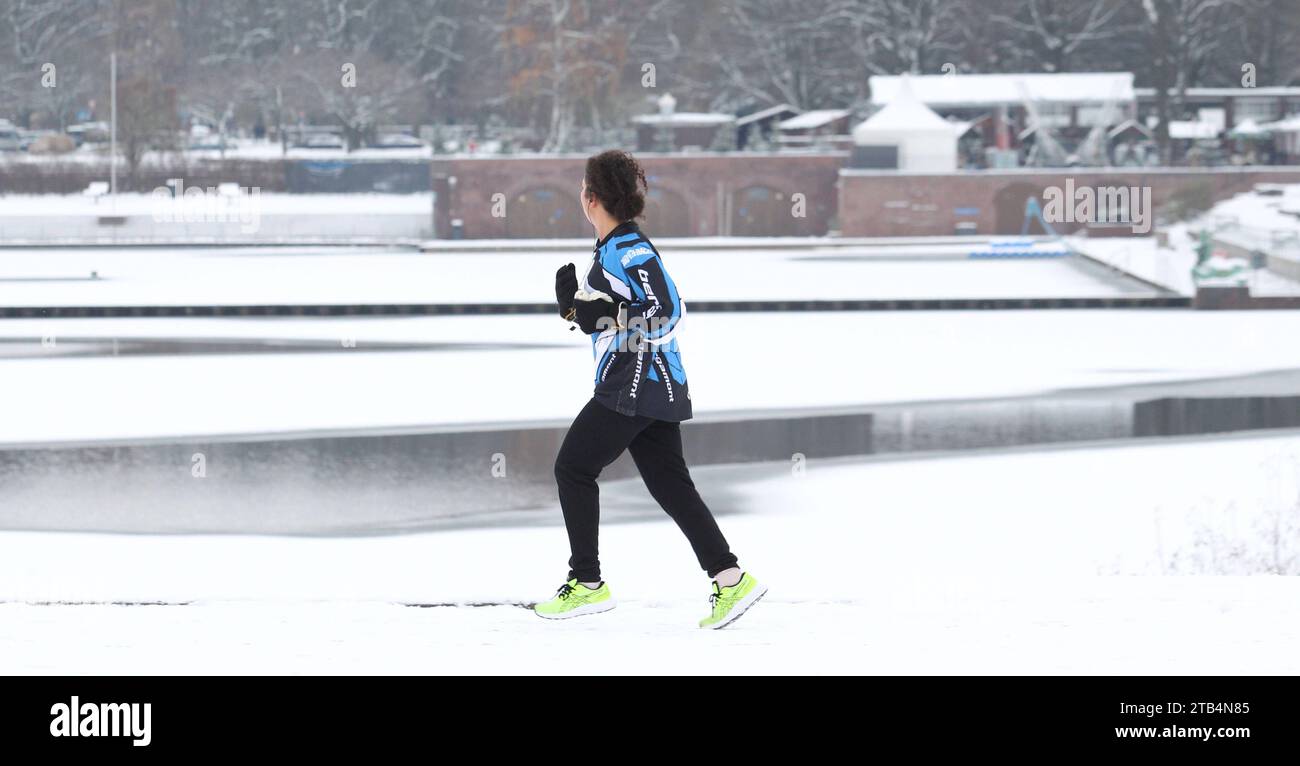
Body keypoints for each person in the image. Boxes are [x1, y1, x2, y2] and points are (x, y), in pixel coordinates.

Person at [533, 149, 766, 629]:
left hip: (636, 383)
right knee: (669, 485)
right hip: (648, 385)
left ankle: (588, 584)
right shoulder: (613, 248)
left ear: (590, 197)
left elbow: (668, 311)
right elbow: (623, 315)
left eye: (583, 187)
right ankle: (730, 577)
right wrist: (578, 310)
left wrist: (611, 315)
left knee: (573, 468)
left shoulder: (630, 250)